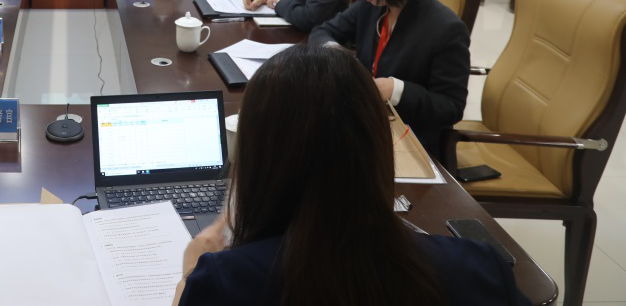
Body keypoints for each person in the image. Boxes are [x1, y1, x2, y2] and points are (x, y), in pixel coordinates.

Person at [173, 45, 529, 306]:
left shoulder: (225, 281)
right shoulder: (479, 267)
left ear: (259, 158)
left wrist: (189, 275)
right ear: (376, 145)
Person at [309, 0, 471, 157]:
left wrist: (396, 90)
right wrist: (337, 55)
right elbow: (322, 32)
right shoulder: (371, 6)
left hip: (410, 139)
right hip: (366, 123)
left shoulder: (446, 28)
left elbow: (451, 107)